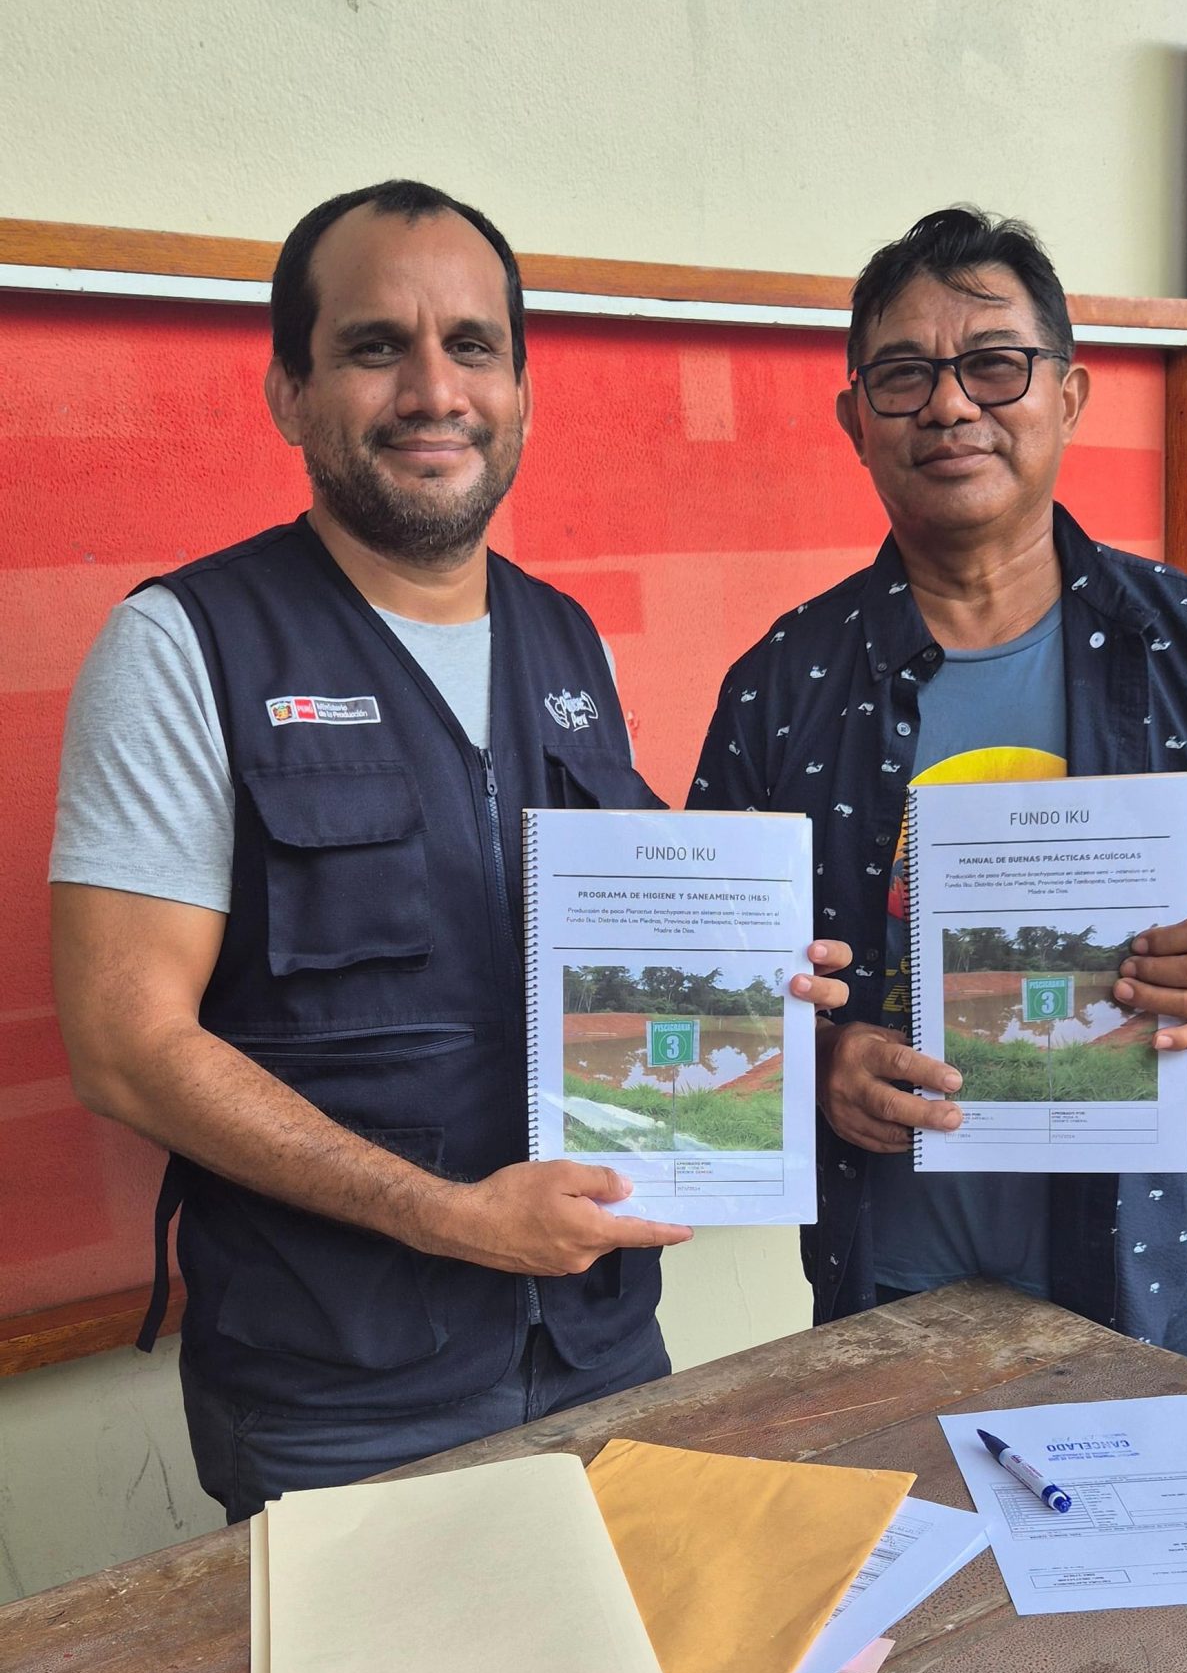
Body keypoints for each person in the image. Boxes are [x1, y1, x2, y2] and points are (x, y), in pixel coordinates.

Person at [49, 179, 849, 1519]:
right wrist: (453, 1217)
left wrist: (750, 983)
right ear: (290, 391)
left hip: (601, 1343)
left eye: (472, 345)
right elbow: (125, 1046)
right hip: (339, 1394)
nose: (434, 389)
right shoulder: (186, 646)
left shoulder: (568, 642)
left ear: (520, 390)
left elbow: (607, 971)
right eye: (376, 346)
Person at [690, 206, 1187, 1356]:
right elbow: (710, 977)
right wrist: (814, 1063)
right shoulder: (783, 681)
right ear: (855, 419)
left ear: (1068, 395)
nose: (950, 405)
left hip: (1124, 1266)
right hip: (879, 1271)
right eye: (904, 375)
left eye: (994, 364)